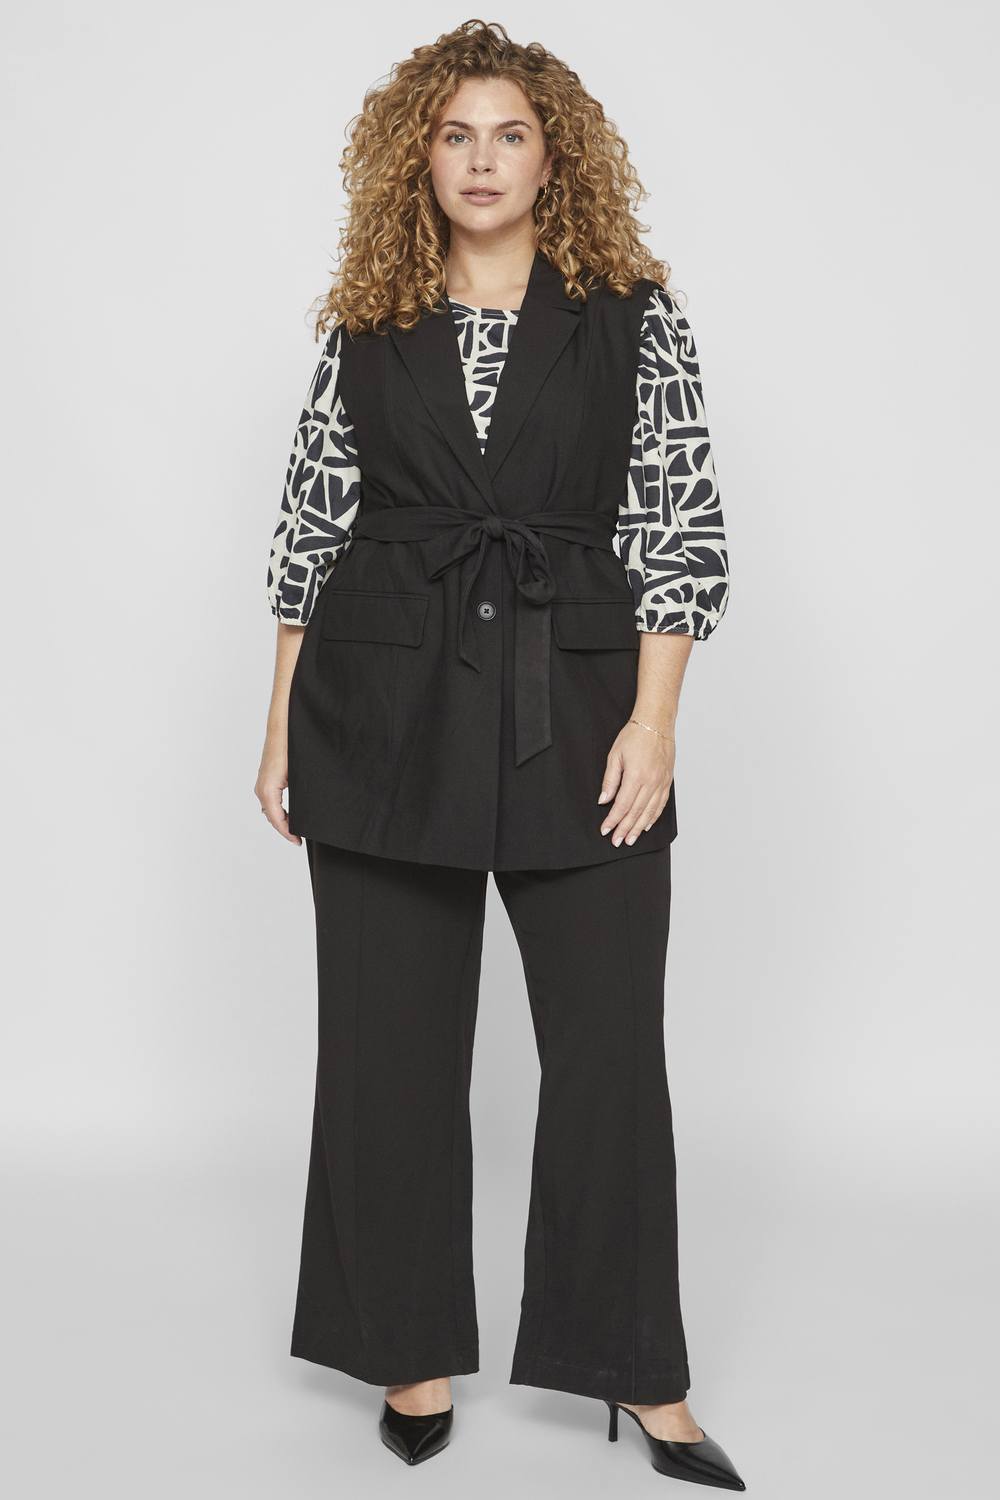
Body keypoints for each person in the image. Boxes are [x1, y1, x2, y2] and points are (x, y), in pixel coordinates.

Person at [255, 19, 744, 1489]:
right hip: (380, 704)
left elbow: (680, 525)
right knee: (388, 1051)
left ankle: (638, 1370)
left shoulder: (631, 315)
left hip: (578, 708)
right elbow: (309, 529)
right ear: (419, 156)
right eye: (455, 135)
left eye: (509, 135)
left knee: (609, 1053)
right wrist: (279, 726)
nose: (481, 160)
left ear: (553, 158)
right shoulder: (370, 319)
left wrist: (654, 721)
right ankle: (406, 1348)